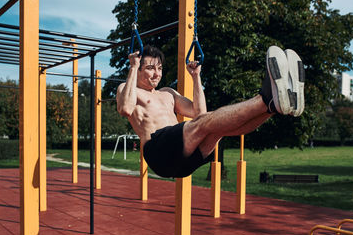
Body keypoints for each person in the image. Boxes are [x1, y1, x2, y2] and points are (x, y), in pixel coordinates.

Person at [116, 45, 304, 178]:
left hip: (183, 161)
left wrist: (196, 77)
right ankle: (264, 99)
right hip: (159, 150)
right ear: (138, 70)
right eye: (150, 68)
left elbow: (200, 113)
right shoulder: (128, 89)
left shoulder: (168, 93)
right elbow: (125, 109)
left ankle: (272, 108)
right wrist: (132, 67)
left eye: (159, 68)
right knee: (204, 123)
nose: (157, 74)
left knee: (217, 129)